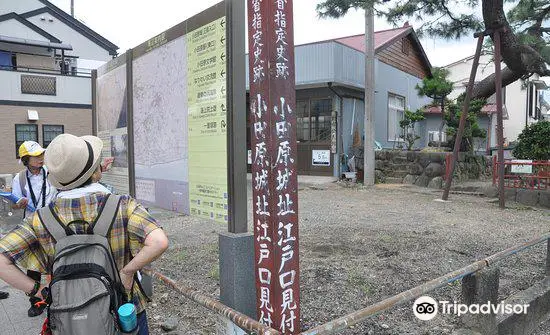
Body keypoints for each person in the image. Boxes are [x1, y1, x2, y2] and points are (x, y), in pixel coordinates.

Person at [0, 134, 168, 334]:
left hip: (68, 314)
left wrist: (37, 290)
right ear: (96, 172)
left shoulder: (40, 218)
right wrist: (127, 271)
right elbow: (158, 241)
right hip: (124, 309)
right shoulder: (123, 205)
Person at [10, 141, 56, 316]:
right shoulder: (19, 179)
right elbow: (15, 204)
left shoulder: (51, 172)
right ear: (26, 159)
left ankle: (58, 295)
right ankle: (36, 301)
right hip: (32, 225)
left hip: (51, 222)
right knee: (33, 265)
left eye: (41, 155)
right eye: (36, 156)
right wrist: (19, 204)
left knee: (55, 259)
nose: (40, 158)